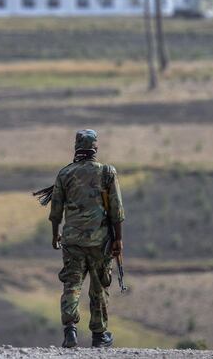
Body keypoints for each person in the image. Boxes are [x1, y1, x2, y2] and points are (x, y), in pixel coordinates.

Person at [48, 129, 125, 348]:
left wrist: (55, 235)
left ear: (76, 147)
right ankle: (99, 336)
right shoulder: (107, 172)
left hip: (72, 241)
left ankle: (70, 330)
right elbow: (117, 210)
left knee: (72, 284)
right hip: (100, 242)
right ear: (96, 148)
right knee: (99, 286)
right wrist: (118, 239)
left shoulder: (65, 174)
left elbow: (56, 210)